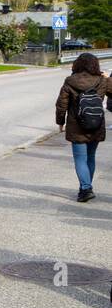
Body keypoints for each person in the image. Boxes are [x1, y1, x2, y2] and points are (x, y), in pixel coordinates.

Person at [55, 52, 112, 202]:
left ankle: (86, 189)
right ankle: (85, 188)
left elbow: (61, 104)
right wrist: (107, 78)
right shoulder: (101, 81)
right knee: (91, 157)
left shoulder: (70, 81)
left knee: (80, 159)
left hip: (76, 126)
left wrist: (60, 122)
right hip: (96, 124)